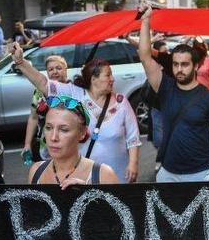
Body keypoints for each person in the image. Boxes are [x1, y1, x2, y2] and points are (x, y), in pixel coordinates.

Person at [12, 44, 141, 183]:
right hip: (85, 176)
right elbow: (43, 83)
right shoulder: (74, 93)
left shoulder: (121, 103)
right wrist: (21, 62)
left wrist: (133, 163)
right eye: (108, 75)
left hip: (119, 173)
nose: (112, 79)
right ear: (94, 79)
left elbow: (133, 137)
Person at [138, 5, 209, 182]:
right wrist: (146, 20)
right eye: (176, 64)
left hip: (201, 173)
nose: (179, 69)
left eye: (184, 64)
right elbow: (145, 56)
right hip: (168, 174)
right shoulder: (165, 87)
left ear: (196, 66)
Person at [28, 95, 119, 187]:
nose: (53, 137)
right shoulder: (36, 171)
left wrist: (89, 193)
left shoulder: (104, 175)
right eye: (48, 128)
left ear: (82, 133)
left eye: (64, 130)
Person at [22, 55, 69, 163]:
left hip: (69, 145)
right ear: (47, 72)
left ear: (66, 70)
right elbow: (33, 118)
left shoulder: (73, 89)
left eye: (58, 68)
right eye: (51, 69)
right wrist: (27, 144)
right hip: (46, 146)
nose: (55, 72)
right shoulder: (39, 91)